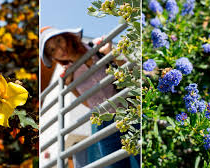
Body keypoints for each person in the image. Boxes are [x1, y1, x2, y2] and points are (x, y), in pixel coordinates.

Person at [40, 26, 139, 168]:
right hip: (104, 124)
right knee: (115, 165)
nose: (60, 50)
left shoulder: (98, 47)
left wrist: (112, 54)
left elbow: (131, 74)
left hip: (127, 111)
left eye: (59, 41)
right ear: (53, 57)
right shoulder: (70, 74)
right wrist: (70, 87)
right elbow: (88, 102)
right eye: (52, 50)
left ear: (68, 36)